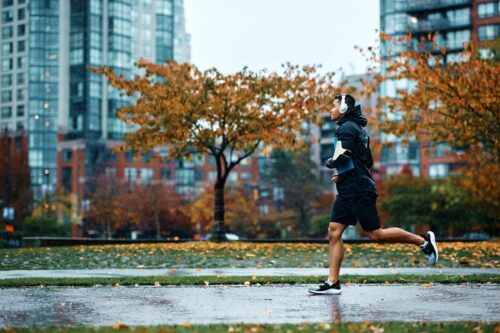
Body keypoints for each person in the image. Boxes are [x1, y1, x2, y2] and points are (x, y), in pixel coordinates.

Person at [308, 94, 438, 295]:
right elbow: (366, 161)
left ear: (343, 108)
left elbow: (344, 155)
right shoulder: (354, 128)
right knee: (334, 231)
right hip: (349, 188)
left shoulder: (347, 128)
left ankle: (424, 242)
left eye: (333, 106)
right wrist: (344, 174)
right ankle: (333, 283)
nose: (330, 110)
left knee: (376, 234)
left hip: (359, 190)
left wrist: (331, 164)